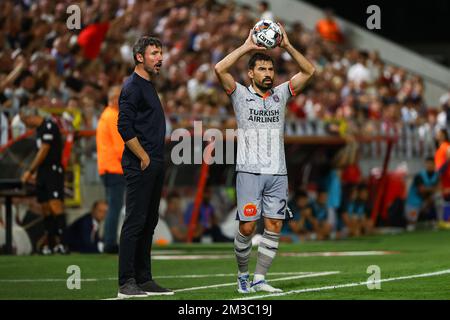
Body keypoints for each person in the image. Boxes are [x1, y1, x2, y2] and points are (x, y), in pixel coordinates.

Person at [214, 24, 315, 293]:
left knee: (273, 225)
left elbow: (310, 71)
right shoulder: (239, 94)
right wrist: (247, 46)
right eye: (262, 69)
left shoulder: (281, 94)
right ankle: (242, 275)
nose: (268, 74)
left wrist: (288, 46)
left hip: (278, 172)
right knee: (247, 227)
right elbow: (219, 69)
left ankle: (260, 279)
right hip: (249, 171)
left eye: (270, 69)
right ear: (251, 73)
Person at [116, 36, 173, 298]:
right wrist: (143, 156)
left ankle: (144, 278)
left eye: (160, 53)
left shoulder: (148, 85)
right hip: (141, 163)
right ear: (139, 57)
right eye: (154, 53)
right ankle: (126, 282)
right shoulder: (132, 87)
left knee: (149, 221)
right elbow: (124, 126)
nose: (160, 57)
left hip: (154, 162)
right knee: (135, 221)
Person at [20, 109, 67, 255]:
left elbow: (45, 149)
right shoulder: (40, 130)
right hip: (43, 172)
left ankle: (63, 243)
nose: (26, 125)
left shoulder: (49, 126)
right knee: (45, 207)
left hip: (52, 170)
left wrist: (30, 170)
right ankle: (50, 244)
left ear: (31, 116)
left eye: (25, 121)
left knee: (55, 205)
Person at [96, 86, 125, 254]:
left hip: (107, 167)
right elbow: (120, 147)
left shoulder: (106, 115)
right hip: (114, 167)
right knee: (115, 206)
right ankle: (109, 242)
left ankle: (109, 240)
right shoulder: (113, 116)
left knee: (113, 205)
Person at [405, 157, 439, 231]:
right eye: (428, 163)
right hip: (413, 203)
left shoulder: (436, 175)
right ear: (425, 164)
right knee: (411, 223)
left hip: (425, 201)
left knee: (437, 198)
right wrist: (434, 190)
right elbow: (421, 190)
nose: (430, 165)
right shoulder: (419, 176)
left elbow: (437, 189)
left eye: (432, 163)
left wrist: (432, 192)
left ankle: (433, 221)